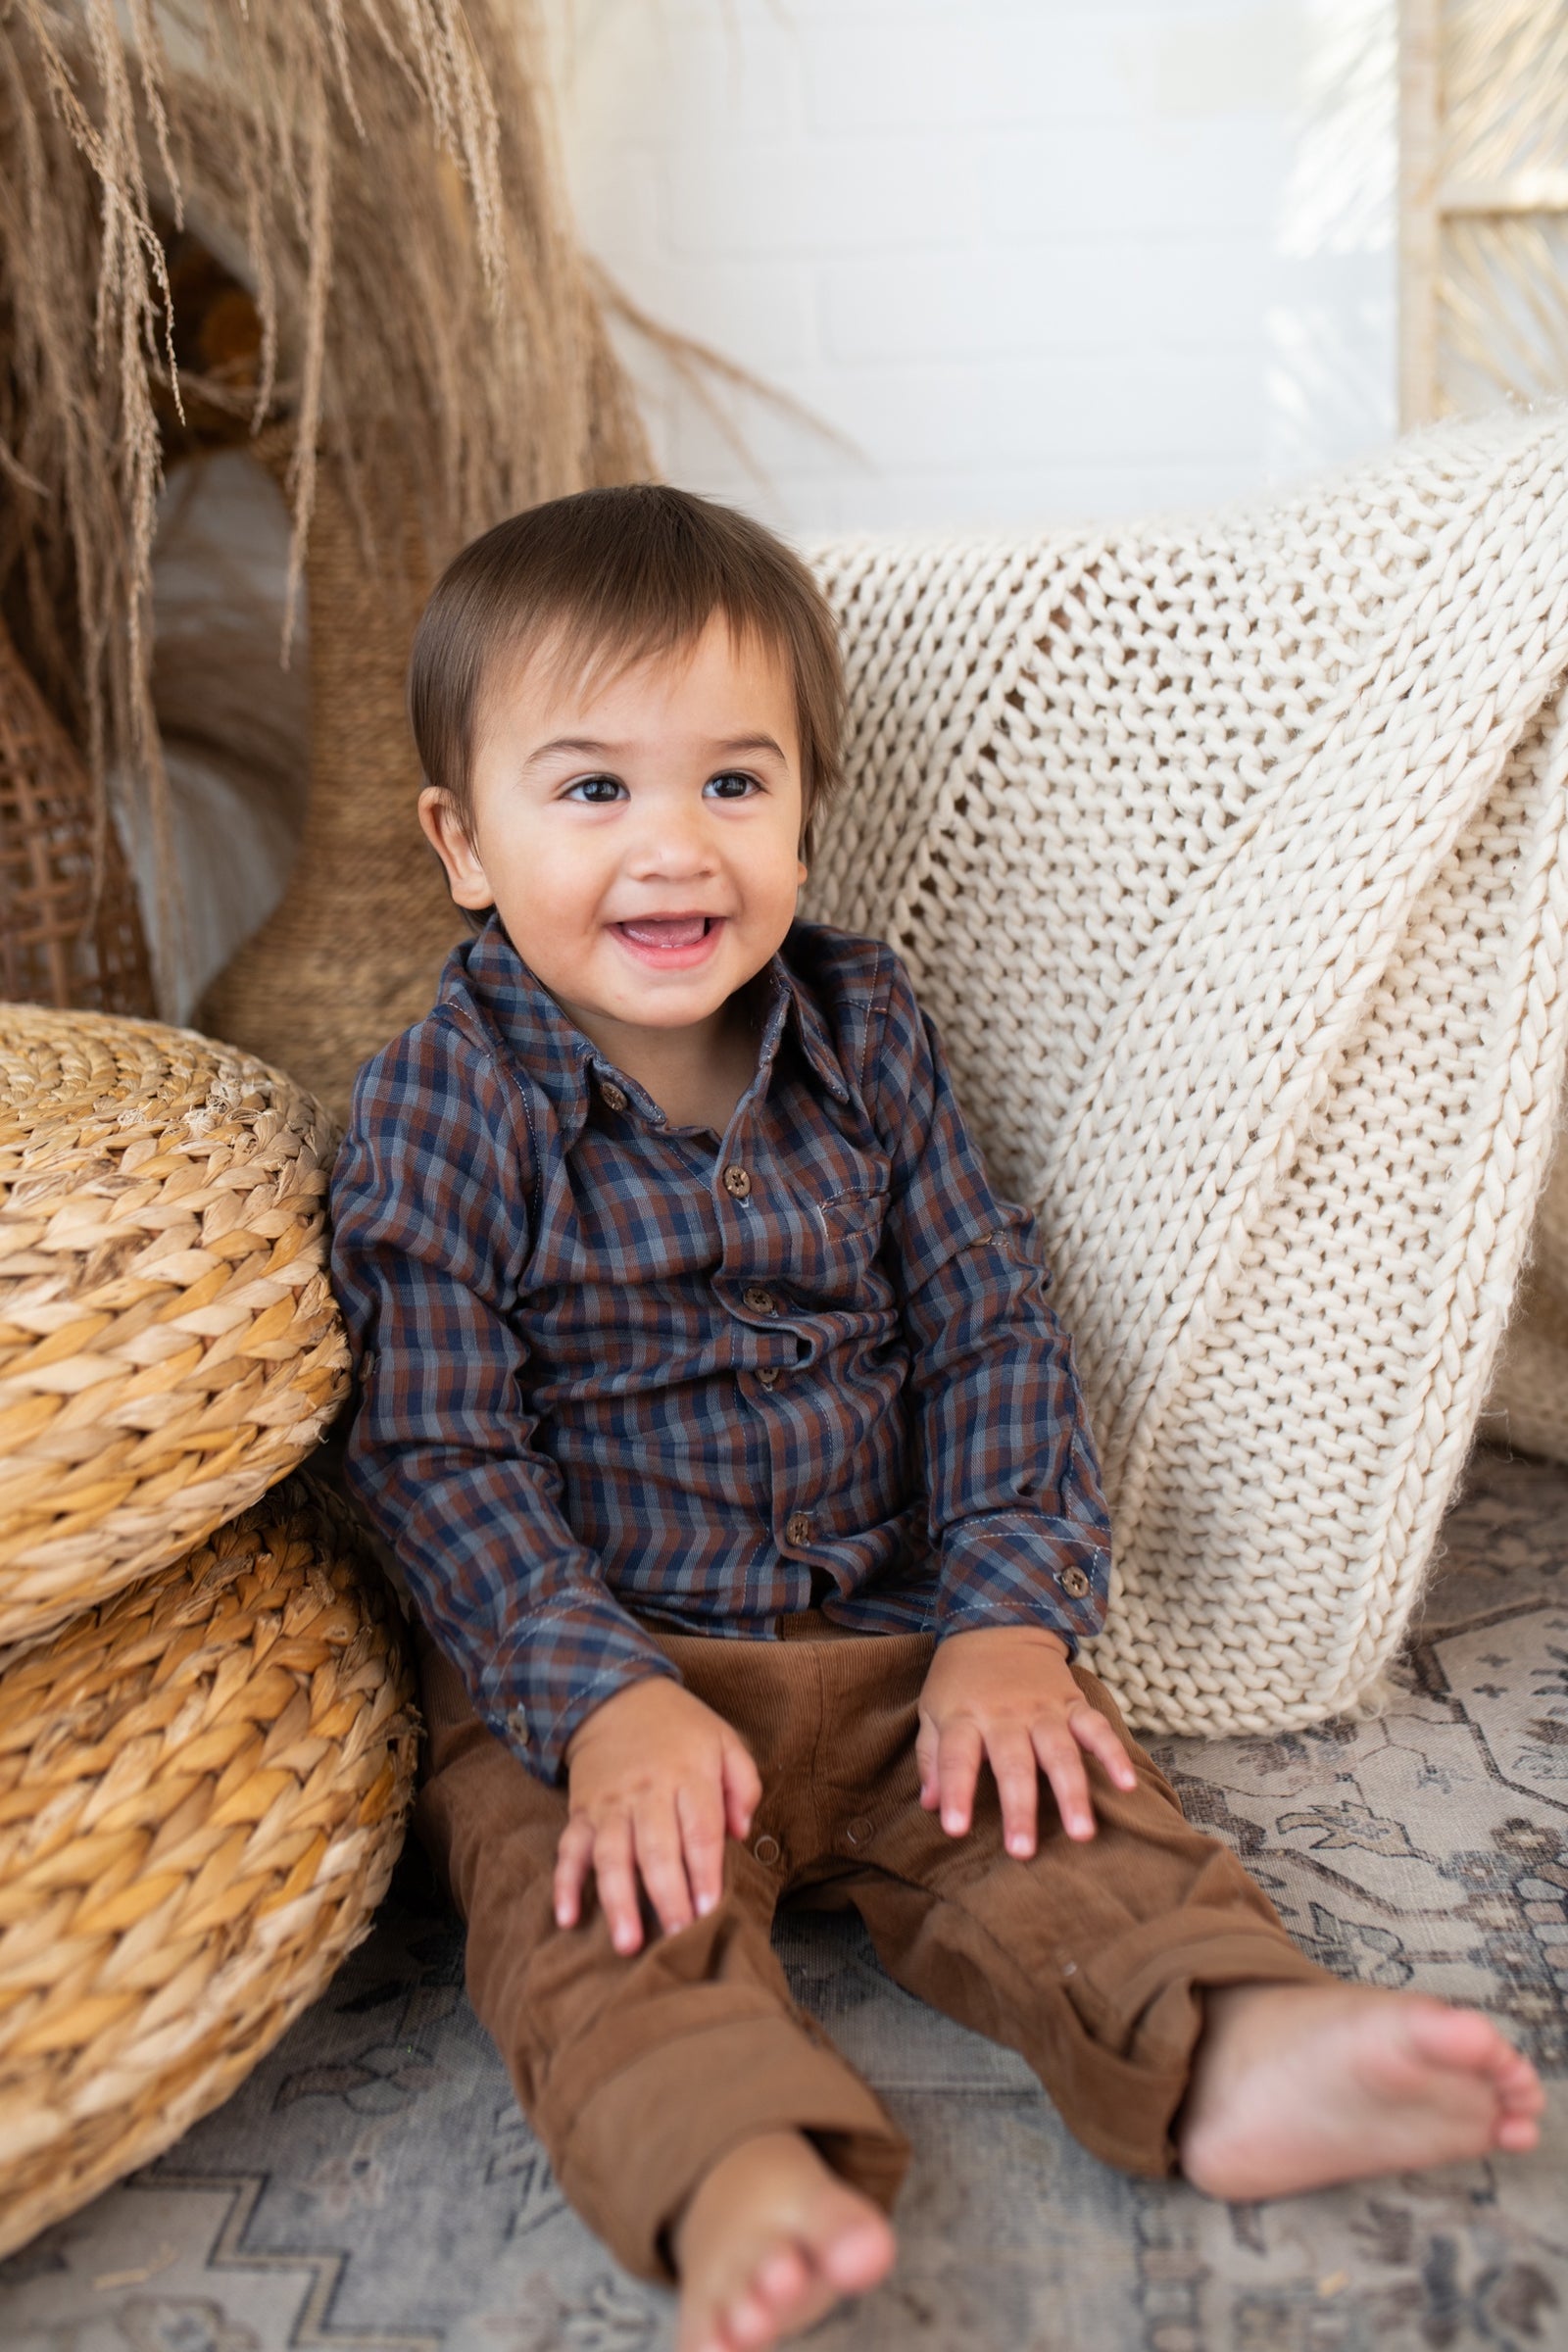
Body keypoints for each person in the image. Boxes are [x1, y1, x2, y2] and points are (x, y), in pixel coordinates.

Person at [329, 485, 1544, 2352]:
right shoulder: (442, 1100)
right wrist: (602, 1698)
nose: (675, 849)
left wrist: (1004, 1623)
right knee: (586, 1917)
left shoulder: (864, 1027)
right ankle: (735, 2164)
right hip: (596, 1666)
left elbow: (985, 1323)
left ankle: (1224, 2040)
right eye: (592, 793)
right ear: (462, 840)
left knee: (1077, 1819)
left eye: (734, 785)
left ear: (810, 802)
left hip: (894, 1641)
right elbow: (433, 1447)